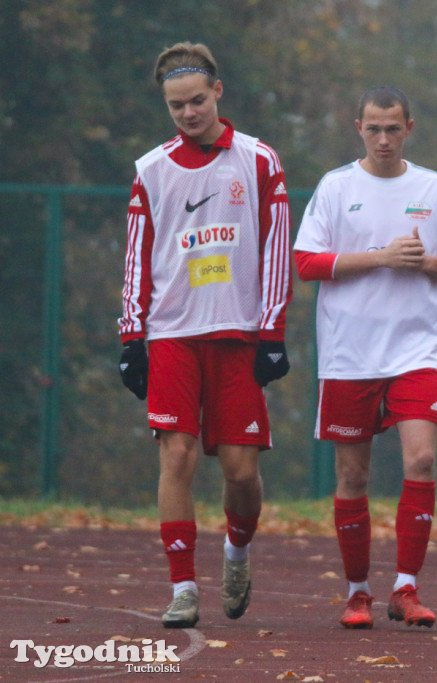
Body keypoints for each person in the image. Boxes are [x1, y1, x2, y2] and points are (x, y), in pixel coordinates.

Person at [117, 42, 293, 629]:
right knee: (178, 455)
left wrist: (272, 331)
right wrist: (130, 338)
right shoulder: (151, 169)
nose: (188, 114)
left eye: (196, 101)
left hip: (238, 335)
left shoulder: (260, 160)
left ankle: (236, 556)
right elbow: (137, 259)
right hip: (171, 334)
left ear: (217, 92)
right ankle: (182, 588)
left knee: (241, 471)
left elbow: (275, 248)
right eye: (175, 107)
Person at [292, 86, 437, 630]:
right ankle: (356, 594)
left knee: (421, 460)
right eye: (374, 128)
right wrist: (380, 257)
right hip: (349, 355)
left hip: (415, 350)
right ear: (359, 129)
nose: (384, 138)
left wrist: (428, 264)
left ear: (409, 128)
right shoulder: (336, 186)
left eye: (393, 128)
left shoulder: (432, 187)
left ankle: (406, 588)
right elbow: (305, 262)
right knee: (353, 476)